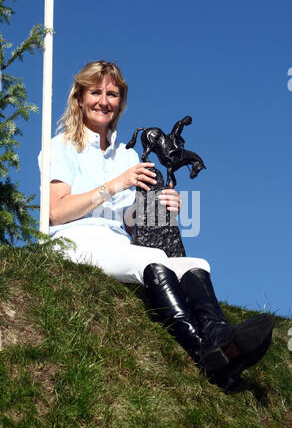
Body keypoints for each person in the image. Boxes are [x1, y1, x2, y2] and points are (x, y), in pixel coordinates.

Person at [39, 60, 274, 391]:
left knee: (196, 264)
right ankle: (205, 353)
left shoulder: (127, 156)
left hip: (117, 242)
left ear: (120, 101)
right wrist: (113, 185)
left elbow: (132, 222)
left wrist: (164, 208)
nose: (103, 100)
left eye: (112, 93)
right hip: (74, 239)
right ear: (79, 98)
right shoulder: (61, 146)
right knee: (152, 261)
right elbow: (57, 212)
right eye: (95, 92)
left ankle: (222, 336)